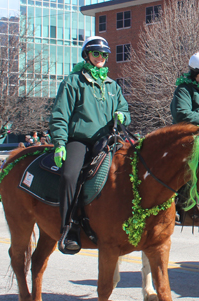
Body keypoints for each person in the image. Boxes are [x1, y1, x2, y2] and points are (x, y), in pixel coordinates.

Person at [49, 36, 131, 254]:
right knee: (69, 176)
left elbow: (125, 109)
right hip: (80, 140)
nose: (101, 58)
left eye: (104, 54)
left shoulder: (113, 86)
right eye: (96, 53)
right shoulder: (73, 82)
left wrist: (122, 115)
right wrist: (59, 143)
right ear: (87, 55)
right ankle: (69, 227)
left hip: (108, 140)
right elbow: (60, 115)